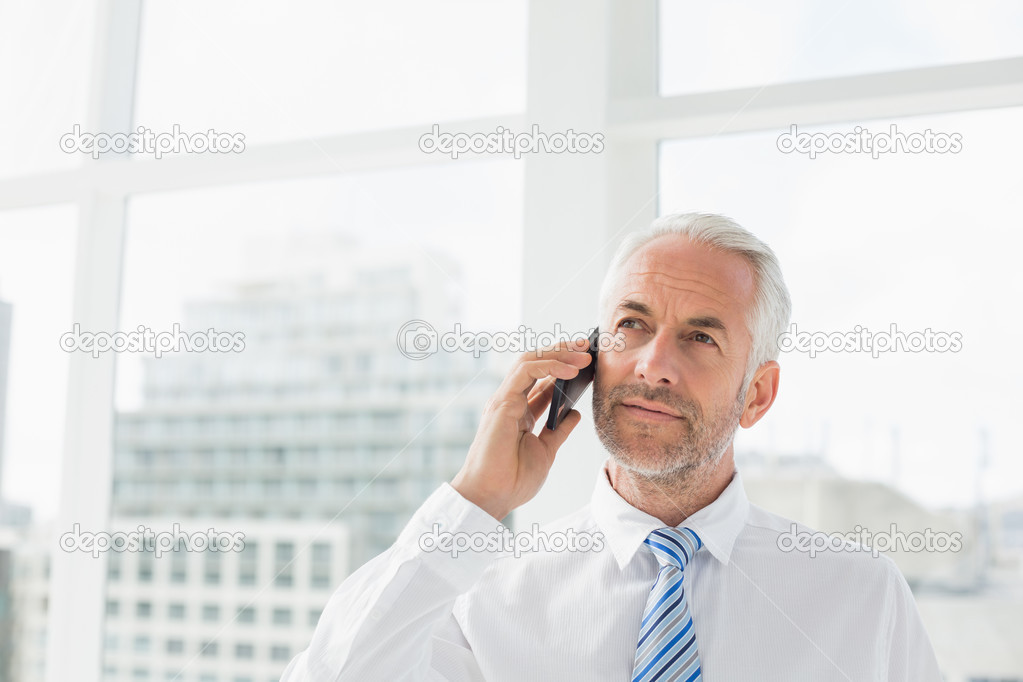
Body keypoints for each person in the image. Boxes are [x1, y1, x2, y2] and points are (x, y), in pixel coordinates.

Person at [281, 213, 942, 681]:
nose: (653, 365)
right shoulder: (482, 595)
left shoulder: (861, 596)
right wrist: (475, 500)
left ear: (757, 395)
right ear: (589, 353)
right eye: (631, 325)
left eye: (700, 337)